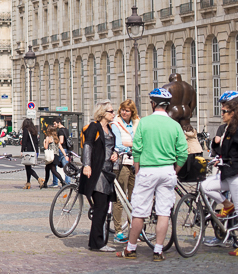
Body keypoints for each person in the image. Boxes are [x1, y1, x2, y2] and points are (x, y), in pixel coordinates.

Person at [118, 88, 187, 262]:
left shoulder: (144, 123)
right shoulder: (175, 125)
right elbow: (183, 153)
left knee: (139, 212)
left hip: (148, 170)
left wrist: (138, 168)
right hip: (167, 170)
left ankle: (131, 248)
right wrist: (175, 170)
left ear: (153, 104)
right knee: (164, 212)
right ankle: (158, 250)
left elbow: (137, 149)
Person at [201, 95, 238, 257]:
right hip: (229, 174)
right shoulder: (228, 129)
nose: (222, 114)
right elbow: (225, 151)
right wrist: (216, 146)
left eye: (225, 111)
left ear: (233, 113)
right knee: (205, 185)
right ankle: (227, 204)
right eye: (222, 111)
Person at [79, 100, 120, 252]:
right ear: (103, 113)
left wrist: (115, 154)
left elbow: (112, 148)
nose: (113, 113)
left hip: (108, 172)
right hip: (97, 173)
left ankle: (97, 241)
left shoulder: (110, 129)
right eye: (111, 111)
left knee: (103, 208)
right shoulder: (94, 127)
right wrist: (87, 165)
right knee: (100, 207)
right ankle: (98, 243)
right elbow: (88, 145)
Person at [111, 99, 140, 242]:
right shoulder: (117, 123)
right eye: (122, 109)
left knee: (133, 198)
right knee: (120, 198)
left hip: (135, 162)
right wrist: (131, 146)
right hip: (123, 163)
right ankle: (118, 231)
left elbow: (140, 141)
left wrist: (131, 145)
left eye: (127, 110)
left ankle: (134, 229)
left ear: (132, 112)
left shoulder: (136, 123)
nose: (124, 112)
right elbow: (119, 144)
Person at [20, 118, 42, 189]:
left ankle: (38, 179)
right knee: (28, 167)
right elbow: (36, 142)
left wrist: (22, 150)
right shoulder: (34, 130)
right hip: (34, 150)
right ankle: (28, 183)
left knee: (28, 168)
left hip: (28, 151)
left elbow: (24, 141)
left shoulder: (26, 130)